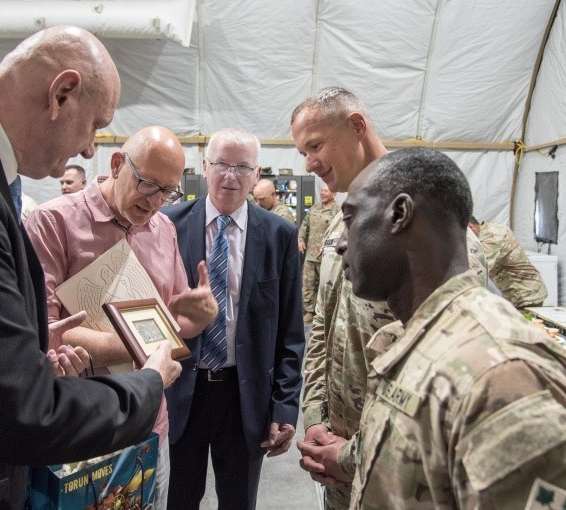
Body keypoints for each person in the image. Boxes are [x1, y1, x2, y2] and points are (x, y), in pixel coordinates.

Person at [0, 26, 182, 508]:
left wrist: (28, 347)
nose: (89, 151)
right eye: (94, 126)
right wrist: (146, 384)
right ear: (61, 93)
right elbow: (23, 414)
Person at [326, 147, 566, 508]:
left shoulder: (504, 376)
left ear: (399, 214)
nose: (341, 243)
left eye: (351, 219)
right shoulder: (419, 340)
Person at [290, 86, 488, 509]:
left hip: (406, 476)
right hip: (338, 469)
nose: (309, 163)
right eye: (302, 152)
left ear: (357, 126)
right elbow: (323, 331)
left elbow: (448, 380)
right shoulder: (336, 233)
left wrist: (350, 454)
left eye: (316, 145)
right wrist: (315, 422)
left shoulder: (433, 233)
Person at [24, 126, 217, 510]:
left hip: (149, 429)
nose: (156, 202)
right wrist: (145, 352)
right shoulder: (53, 223)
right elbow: (40, 333)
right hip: (81, 428)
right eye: (148, 184)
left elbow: (172, 324)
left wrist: (195, 320)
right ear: (116, 164)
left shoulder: (163, 228)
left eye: (168, 191)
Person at [162, 127, 305, 509]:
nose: (231, 176)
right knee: (178, 498)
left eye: (243, 167)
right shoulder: (167, 225)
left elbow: (291, 331)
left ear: (257, 174)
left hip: (244, 395)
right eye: (222, 164)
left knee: (239, 501)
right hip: (180, 389)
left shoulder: (280, 234)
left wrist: (285, 405)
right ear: (205, 167)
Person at [469, 215, 548, 308]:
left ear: (470, 227)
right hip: (520, 292)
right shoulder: (488, 229)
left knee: (526, 321)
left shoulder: (491, 238)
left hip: (525, 294)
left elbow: (478, 270)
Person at [298, 183, 341, 323]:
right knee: (307, 284)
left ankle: (324, 314)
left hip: (327, 256)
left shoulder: (338, 211)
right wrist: (300, 239)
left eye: (325, 191)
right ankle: (309, 311)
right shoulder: (314, 208)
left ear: (334, 194)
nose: (322, 193)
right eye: (321, 190)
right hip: (311, 254)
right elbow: (305, 225)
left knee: (326, 286)